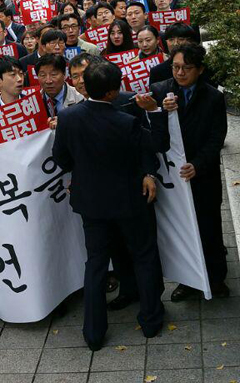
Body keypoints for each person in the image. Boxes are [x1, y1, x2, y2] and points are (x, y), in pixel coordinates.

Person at [52, 61, 163, 350]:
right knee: (144, 256)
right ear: (114, 92)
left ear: (86, 86)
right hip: (129, 201)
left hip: (91, 203)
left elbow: (61, 158)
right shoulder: (127, 122)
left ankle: (93, 333)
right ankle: (151, 321)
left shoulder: (67, 117)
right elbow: (149, 150)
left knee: (96, 264)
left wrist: (82, 173)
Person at [151, 44, 229, 299]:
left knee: (209, 226)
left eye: (186, 68)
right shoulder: (161, 90)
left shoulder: (213, 97)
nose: (180, 73)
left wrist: (198, 164)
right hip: (173, 176)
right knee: (182, 227)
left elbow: (217, 137)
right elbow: (154, 136)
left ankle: (216, 278)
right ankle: (187, 279)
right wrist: (159, 111)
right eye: (175, 67)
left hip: (202, 174)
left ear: (200, 69)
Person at [35, 53, 83, 125]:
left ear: (64, 75)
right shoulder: (33, 103)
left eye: (53, 74)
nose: (48, 81)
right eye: (43, 75)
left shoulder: (80, 98)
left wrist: (65, 123)